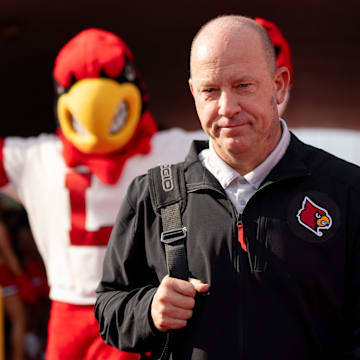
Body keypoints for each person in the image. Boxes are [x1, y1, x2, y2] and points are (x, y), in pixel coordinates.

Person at [95, 15, 360, 359]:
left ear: (279, 85)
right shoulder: (152, 196)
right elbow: (109, 307)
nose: (226, 108)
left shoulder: (348, 192)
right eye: (210, 90)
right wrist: (149, 309)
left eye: (243, 86)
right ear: (193, 93)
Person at [0, 28, 205, 359]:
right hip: (134, 305)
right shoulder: (175, 148)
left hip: (123, 307)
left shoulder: (36, 156)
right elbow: (241, 146)